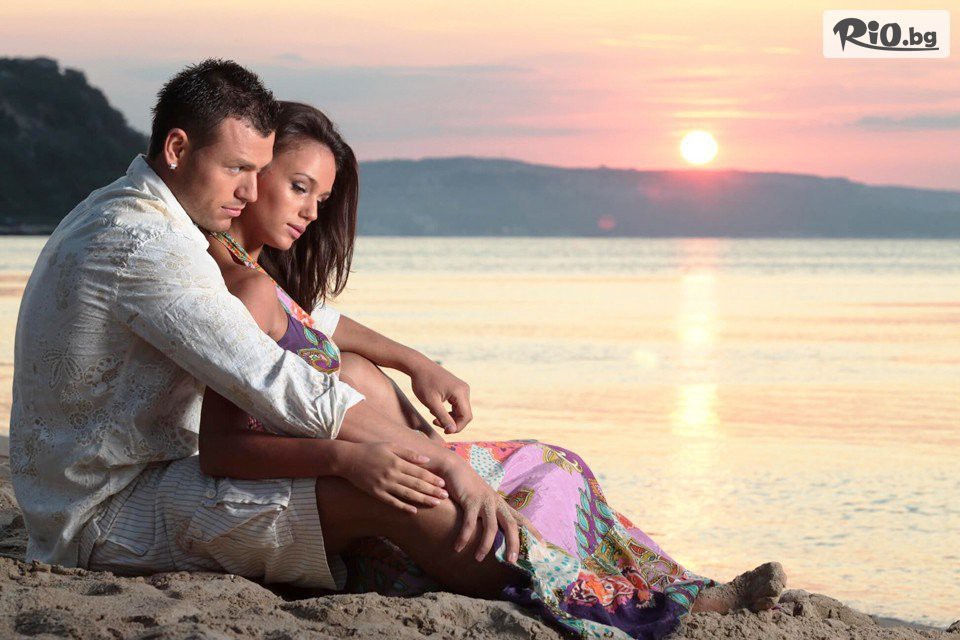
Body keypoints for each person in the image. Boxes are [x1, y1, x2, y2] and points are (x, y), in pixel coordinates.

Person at [196, 99, 788, 639]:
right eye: (299, 187)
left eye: (321, 200)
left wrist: (415, 362)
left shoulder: (260, 274)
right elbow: (223, 446)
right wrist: (354, 457)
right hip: (338, 474)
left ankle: (670, 586)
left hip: (373, 454)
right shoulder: (244, 287)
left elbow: (316, 321)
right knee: (504, 510)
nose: (310, 213)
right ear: (254, 171)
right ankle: (655, 603)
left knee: (554, 469)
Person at [9, 58, 524, 599]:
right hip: (105, 513)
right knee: (401, 493)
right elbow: (269, 375)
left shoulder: (137, 213)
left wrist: (411, 366)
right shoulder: (145, 244)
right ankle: (536, 581)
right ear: (177, 148)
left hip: (131, 479)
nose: (250, 193)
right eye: (237, 168)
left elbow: (289, 317)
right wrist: (436, 459)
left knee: (369, 415)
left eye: (258, 172)